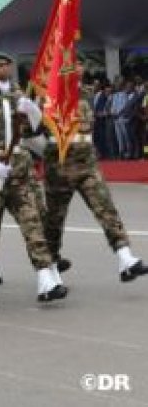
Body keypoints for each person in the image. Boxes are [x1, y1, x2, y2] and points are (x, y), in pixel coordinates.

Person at [0, 57, 66, 305]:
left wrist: (33, 111)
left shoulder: (12, 102)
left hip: (19, 173)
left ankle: (45, 278)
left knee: (32, 224)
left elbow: (35, 130)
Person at [42, 57, 148, 282]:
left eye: (80, 64)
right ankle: (49, 267)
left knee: (106, 208)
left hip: (87, 164)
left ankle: (125, 257)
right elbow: (33, 132)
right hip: (60, 166)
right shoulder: (48, 95)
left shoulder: (87, 93)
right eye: (73, 64)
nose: (79, 68)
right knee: (54, 220)